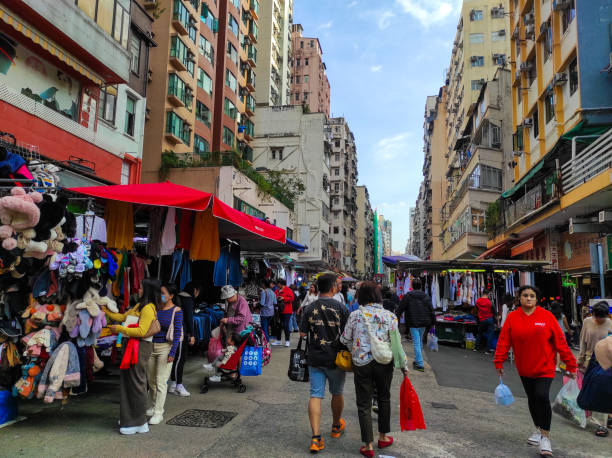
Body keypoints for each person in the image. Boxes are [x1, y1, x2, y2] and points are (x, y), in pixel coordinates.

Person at [494, 285, 577, 457]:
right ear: (520, 298)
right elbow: (504, 340)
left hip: (545, 367)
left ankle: (545, 437)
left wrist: (571, 364)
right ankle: (538, 429)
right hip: (524, 368)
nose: (529, 298)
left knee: (541, 396)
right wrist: (499, 361)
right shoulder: (512, 318)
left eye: (532, 296)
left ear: (537, 299)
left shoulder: (546, 316)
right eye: (525, 295)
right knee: (532, 399)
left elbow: (560, 342)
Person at [340, 282, 408, 457]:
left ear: (360, 296)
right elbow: (396, 344)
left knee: (364, 403)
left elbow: (345, 338)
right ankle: (383, 437)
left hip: (361, 363)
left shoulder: (355, 315)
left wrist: (355, 349)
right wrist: (404, 366)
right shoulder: (390, 316)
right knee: (384, 398)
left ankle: (368, 446)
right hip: (384, 362)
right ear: (378, 296)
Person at [299, 273, 350, 454]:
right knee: (337, 392)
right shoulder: (341, 308)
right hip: (337, 359)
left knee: (315, 395)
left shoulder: (309, 307)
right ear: (332, 288)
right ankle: (336, 426)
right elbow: (348, 334)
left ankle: (315, 438)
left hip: (315, 357)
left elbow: (303, 334)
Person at [104, 278, 160, 435]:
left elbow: (141, 331)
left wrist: (120, 330)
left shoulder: (148, 308)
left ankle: (138, 422)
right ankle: (128, 419)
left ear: (148, 290)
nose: (138, 289)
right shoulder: (139, 305)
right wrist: (105, 311)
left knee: (136, 383)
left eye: (141, 287)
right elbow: (123, 317)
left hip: (140, 347)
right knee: (128, 382)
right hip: (132, 346)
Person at [143, 284, 183, 425]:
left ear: (171, 296)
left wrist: (173, 352)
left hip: (165, 348)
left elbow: (177, 333)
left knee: (161, 381)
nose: (161, 295)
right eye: (160, 292)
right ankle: (153, 406)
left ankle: (158, 413)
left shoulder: (176, 311)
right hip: (151, 346)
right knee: (151, 381)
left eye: (163, 293)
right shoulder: (155, 308)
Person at [576, 301, 612, 437]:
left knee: (602, 391)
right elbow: (582, 341)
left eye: (601, 318)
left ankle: (601, 424)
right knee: (589, 389)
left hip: (605, 362)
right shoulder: (587, 322)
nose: (598, 320)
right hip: (589, 360)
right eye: (596, 317)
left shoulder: (610, 323)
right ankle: (599, 417)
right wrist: (580, 360)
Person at [396, 278, 435, 372]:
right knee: (419, 341)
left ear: (412, 286)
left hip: (413, 322)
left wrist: (396, 318)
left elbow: (400, 308)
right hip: (424, 322)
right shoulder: (426, 296)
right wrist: (433, 322)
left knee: (417, 343)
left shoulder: (408, 296)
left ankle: (420, 364)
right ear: (421, 286)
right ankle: (418, 360)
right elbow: (431, 310)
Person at [168, 282, 199, 397]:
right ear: (194, 290)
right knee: (180, 359)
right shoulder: (188, 300)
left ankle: (173, 383)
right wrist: (192, 334)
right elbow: (189, 319)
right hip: (181, 332)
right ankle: (178, 385)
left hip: (173, 332)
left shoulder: (177, 298)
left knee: (175, 358)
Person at [275, 279, 295, 347]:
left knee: (286, 325)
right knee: (278, 325)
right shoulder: (277, 291)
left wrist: (283, 298)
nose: (277, 285)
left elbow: (292, 298)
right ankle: (278, 340)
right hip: (279, 310)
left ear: (281, 284)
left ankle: (287, 341)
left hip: (287, 311)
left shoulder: (288, 289)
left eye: (278, 284)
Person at [475, 290, 495, 354]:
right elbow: (493, 310)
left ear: (482, 293)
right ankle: (487, 350)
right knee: (490, 334)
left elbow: (476, 309)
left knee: (479, 333)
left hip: (481, 319)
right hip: (489, 319)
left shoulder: (478, 301)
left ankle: (476, 347)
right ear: (488, 294)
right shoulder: (490, 302)